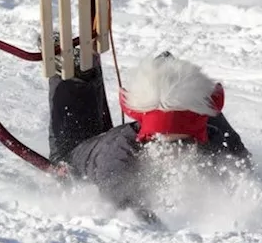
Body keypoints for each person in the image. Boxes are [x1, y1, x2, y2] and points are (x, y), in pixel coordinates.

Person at [48, 51, 251, 217]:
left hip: (180, 122)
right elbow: (118, 196)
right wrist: (146, 217)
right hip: (82, 155)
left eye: (183, 143)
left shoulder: (214, 139)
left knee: (202, 107)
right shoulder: (118, 153)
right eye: (160, 141)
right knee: (72, 134)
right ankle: (72, 72)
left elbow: (241, 168)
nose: (172, 151)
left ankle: (168, 74)